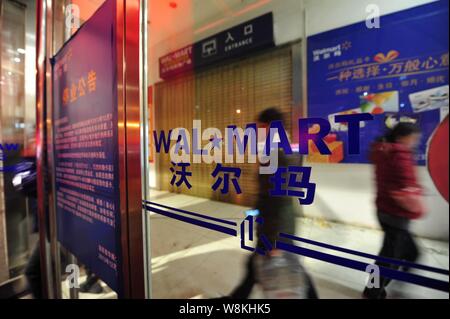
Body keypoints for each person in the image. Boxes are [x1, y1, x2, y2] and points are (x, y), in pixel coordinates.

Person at [229, 107, 318, 299]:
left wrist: (275, 239)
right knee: (257, 268)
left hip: (275, 228)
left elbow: (279, 200)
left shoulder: (276, 154)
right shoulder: (276, 150)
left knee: (275, 267)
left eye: (260, 127)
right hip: (274, 226)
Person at [363, 122, 425, 299]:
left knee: (407, 253)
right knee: (389, 258)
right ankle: (372, 291)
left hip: (385, 210)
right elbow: (406, 186)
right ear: (401, 138)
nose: (414, 142)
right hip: (395, 214)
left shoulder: (383, 151)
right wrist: (417, 196)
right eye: (413, 138)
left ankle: (390, 284)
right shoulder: (400, 155)